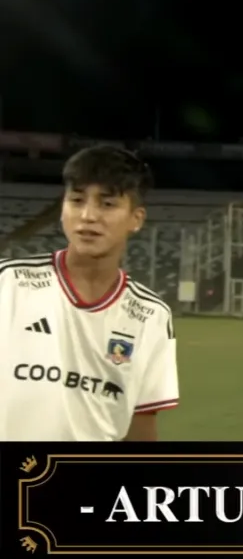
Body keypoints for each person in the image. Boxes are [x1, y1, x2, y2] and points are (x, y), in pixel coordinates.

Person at [0, 145, 180, 441]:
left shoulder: (152, 316)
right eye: (76, 200)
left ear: (136, 218)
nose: (87, 216)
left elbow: (141, 428)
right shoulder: (8, 283)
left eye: (107, 204)